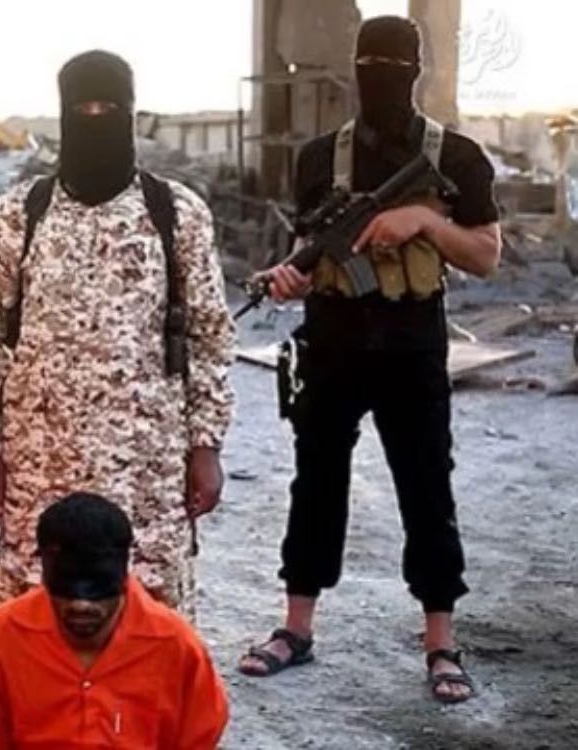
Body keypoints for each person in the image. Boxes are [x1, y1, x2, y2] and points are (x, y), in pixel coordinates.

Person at [237, 16, 502, 704]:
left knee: (426, 487)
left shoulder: (455, 157)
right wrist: (288, 278)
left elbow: (485, 255)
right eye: (369, 65)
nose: (378, 78)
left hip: (413, 345)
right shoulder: (319, 158)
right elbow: (311, 252)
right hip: (333, 341)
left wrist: (425, 222)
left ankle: (440, 643)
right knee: (315, 483)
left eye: (392, 66)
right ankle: (296, 629)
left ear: (416, 73)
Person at [0, 50, 236, 616]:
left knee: (149, 611)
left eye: (107, 108)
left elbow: (209, 338)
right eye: (81, 109)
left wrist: (205, 446)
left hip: (147, 469)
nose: (94, 119)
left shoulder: (175, 213)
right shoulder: (22, 213)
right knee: (34, 610)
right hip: (41, 465)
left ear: (130, 114)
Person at [0, 493, 228, 749]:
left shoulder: (175, 646)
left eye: (98, 590)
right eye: (67, 589)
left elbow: (198, 738)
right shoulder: (1, 637)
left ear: (123, 575)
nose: (81, 605)